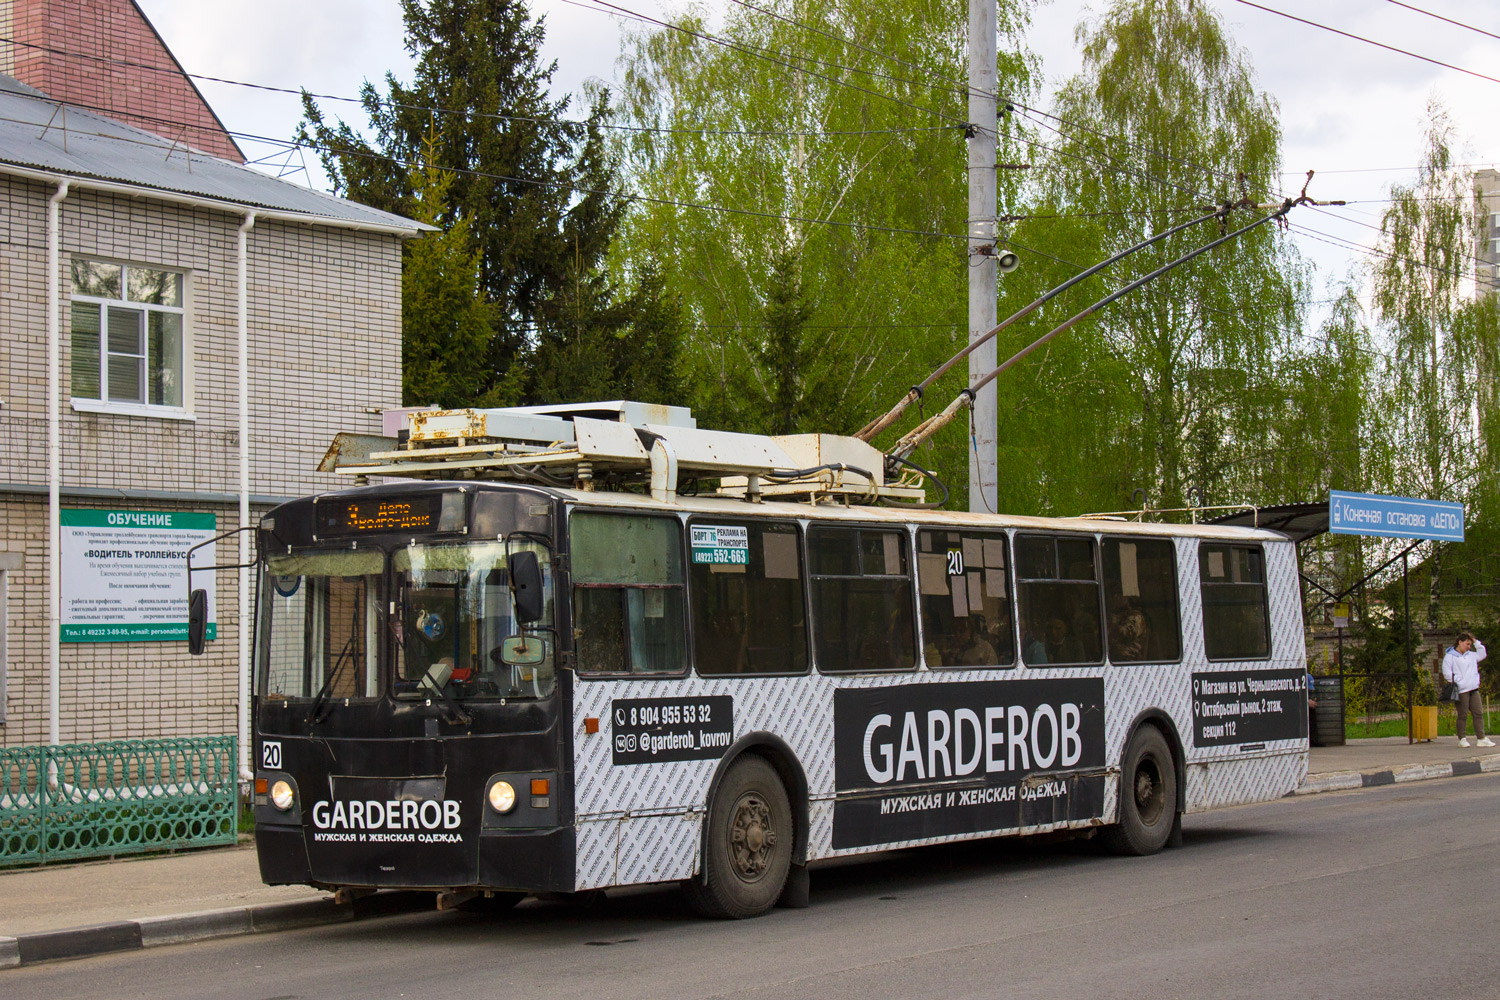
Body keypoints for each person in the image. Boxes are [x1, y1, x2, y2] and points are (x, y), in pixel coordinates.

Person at [1441, 632, 1494, 748]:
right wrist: (1458, 682)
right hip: (1461, 690)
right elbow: (1446, 672)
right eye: (1467, 644)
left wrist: (1476, 642)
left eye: (1470, 644)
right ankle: (1462, 738)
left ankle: (1481, 738)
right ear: (1460, 642)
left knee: (1478, 713)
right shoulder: (1450, 656)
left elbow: (1482, 653)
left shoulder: (1471, 655)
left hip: (1473, 688)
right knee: (1463, 714)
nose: (1468, 647)